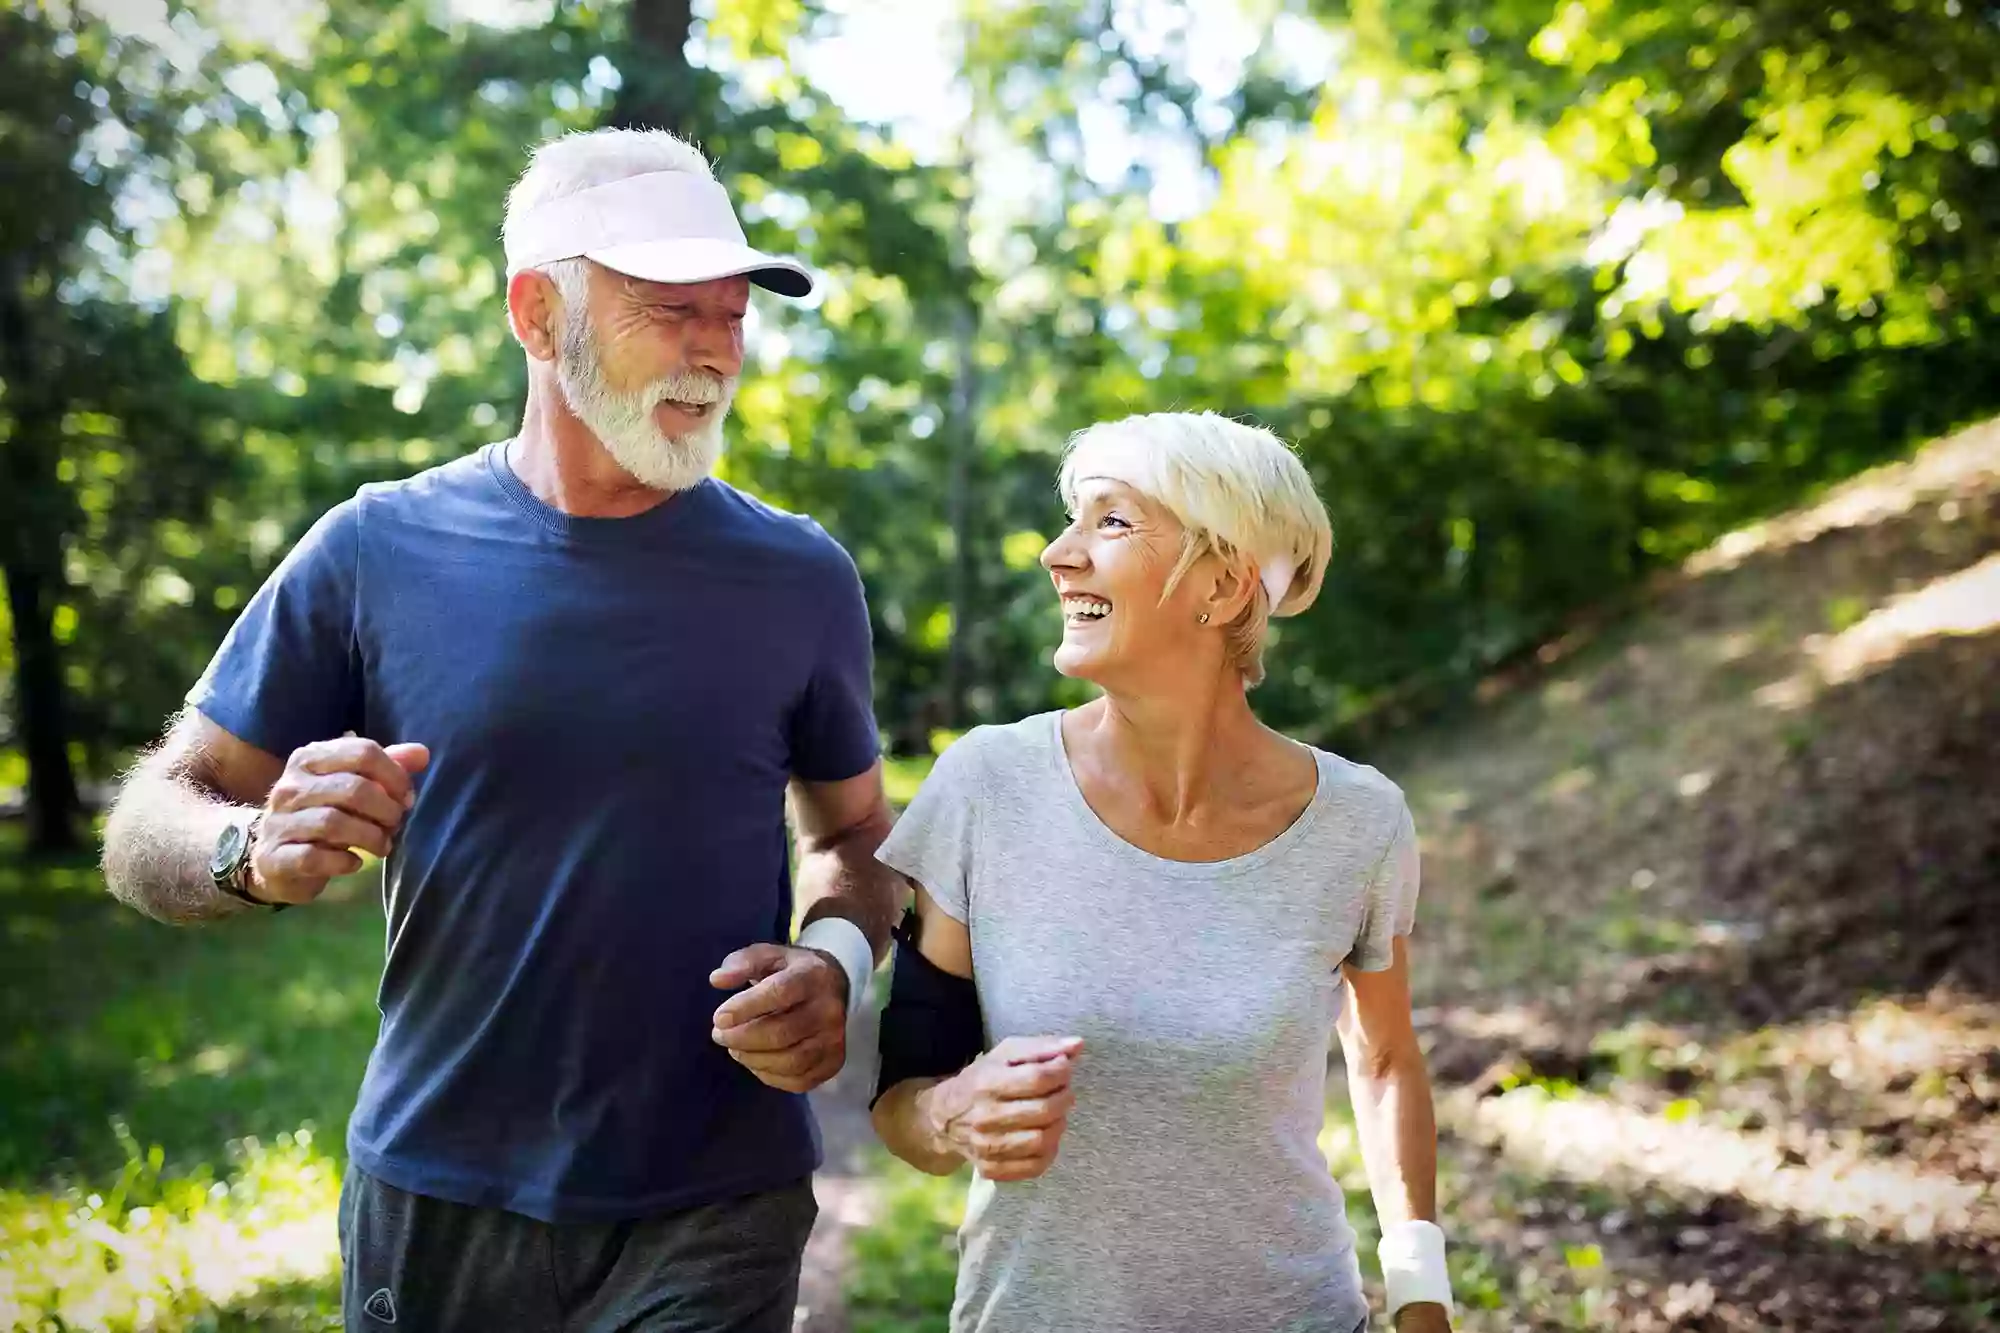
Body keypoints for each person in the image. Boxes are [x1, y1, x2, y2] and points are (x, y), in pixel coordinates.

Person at [100, 127, 901, 1333]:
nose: (715, 354)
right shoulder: (371, 549)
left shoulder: (800, 574)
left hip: (717, 1199)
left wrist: (833, 960)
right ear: (538, 314)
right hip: (439, 1195)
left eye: (731, 315)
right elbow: (146, 821)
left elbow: (854, 835)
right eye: (671, 311)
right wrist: (245, 851)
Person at [868, 411, 1456, 1333]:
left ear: (1221, 586)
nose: (1058, 556)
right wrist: (951, 1112)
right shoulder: (987, 786)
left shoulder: (1358, 820)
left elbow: (1383, 1060)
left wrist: (1421, 1288)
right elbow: (901, 1102)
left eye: (1110, 521)